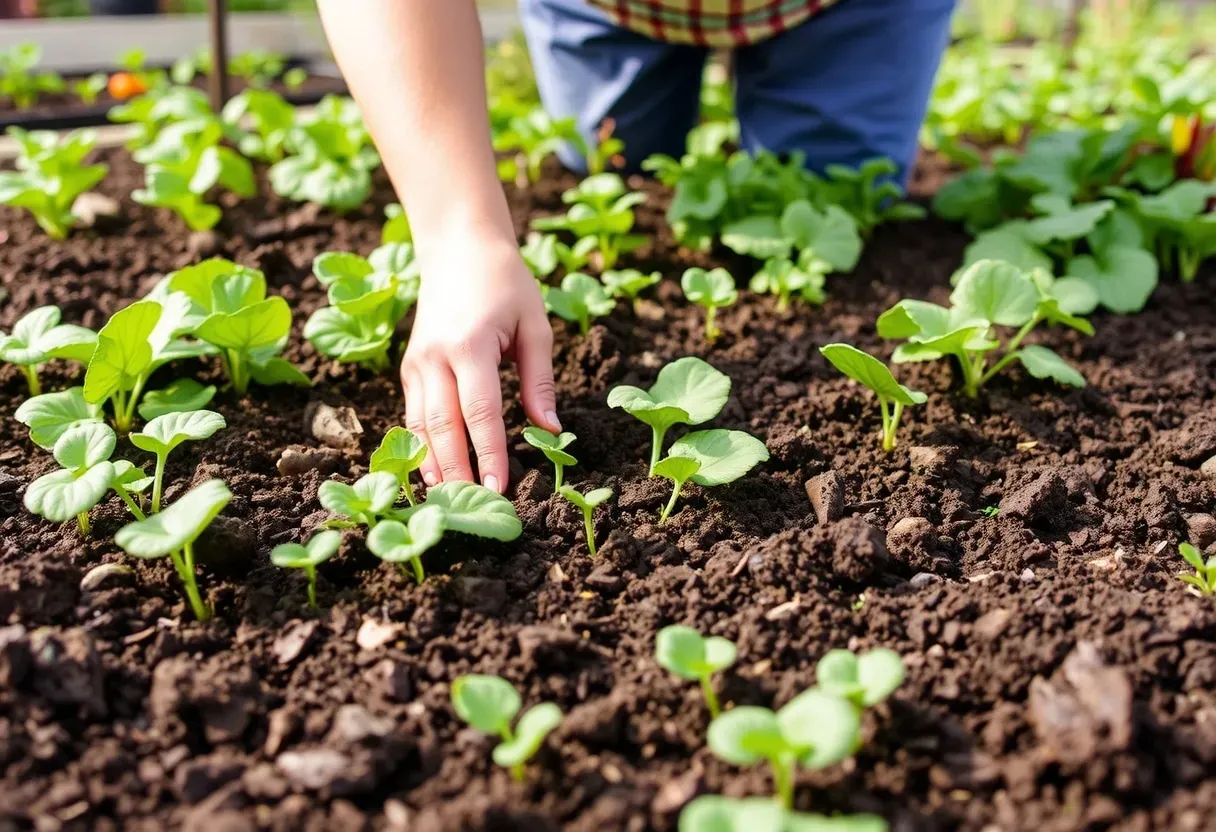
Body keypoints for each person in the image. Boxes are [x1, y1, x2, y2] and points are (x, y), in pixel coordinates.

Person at [315, 0, 955, 494]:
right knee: (612, 164)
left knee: (836, 194)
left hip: (841, 9)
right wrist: (459, 236)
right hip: (615, 8)